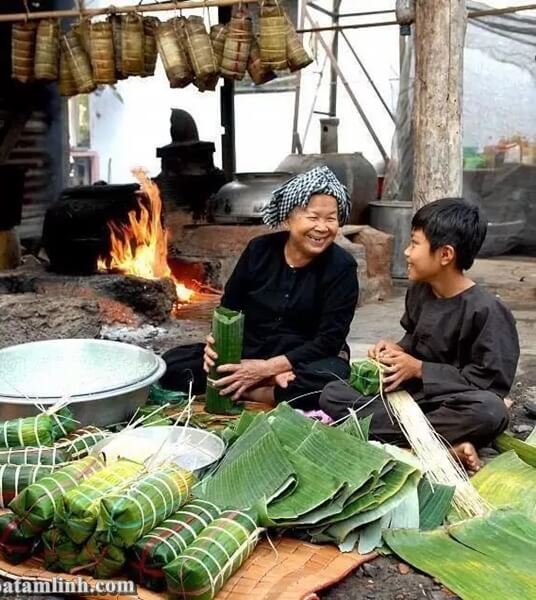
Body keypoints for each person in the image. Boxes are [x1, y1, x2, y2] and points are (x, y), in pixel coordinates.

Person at [319, 197, 520, 470]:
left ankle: (413, 441)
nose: (406, 252)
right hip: (414, 402)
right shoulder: (420, 291)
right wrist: (395, 351)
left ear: (445, 255)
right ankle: (439, 445)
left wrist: (420, 369)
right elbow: (414, 340)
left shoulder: (487, 311)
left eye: (414, 243)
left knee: (489, 411)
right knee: (331, 392)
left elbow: (489, 386)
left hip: (454, 403)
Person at [159, 165, 359, 408]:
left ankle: (254, 392)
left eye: (331, 218)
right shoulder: (259, 250)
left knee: (330, 381)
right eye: (313, 217)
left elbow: (329, 340)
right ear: (288, 217)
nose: (322, 227)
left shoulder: (342, 267)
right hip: (247, 353)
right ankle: (266, 388)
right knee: (171, 365)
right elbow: (228, 309)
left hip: (299, 362)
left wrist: (267, 369)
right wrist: (216, 344)